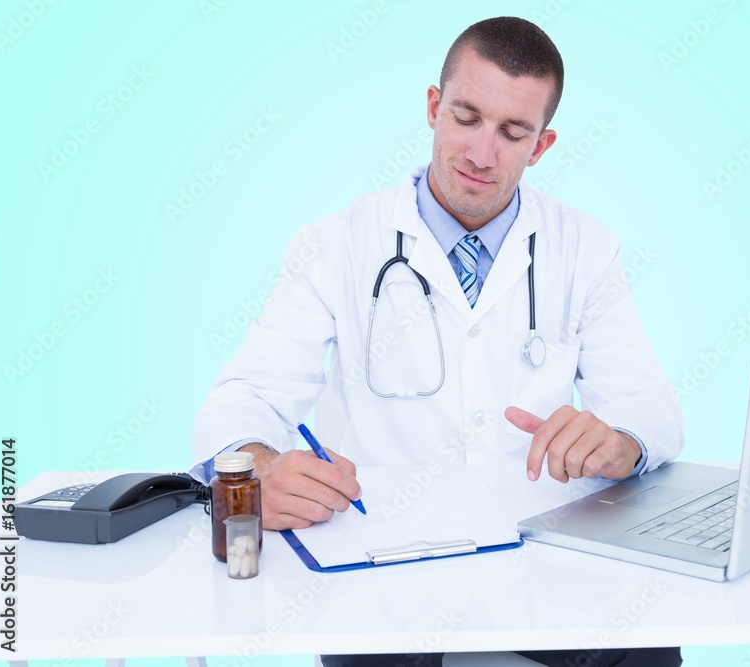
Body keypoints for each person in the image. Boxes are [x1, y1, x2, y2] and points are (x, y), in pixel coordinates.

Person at [193, 16, 683, 667]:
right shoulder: (336, 244)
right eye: (466, 117)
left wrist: (619, 441)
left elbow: (651, 406)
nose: (483, 153)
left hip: (537, 568)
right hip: (380, 578)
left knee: (646, 648)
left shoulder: (585, 249)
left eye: (512, 133)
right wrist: (259, 469)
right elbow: (242, 399)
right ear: (433, 107)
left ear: (542, 144)